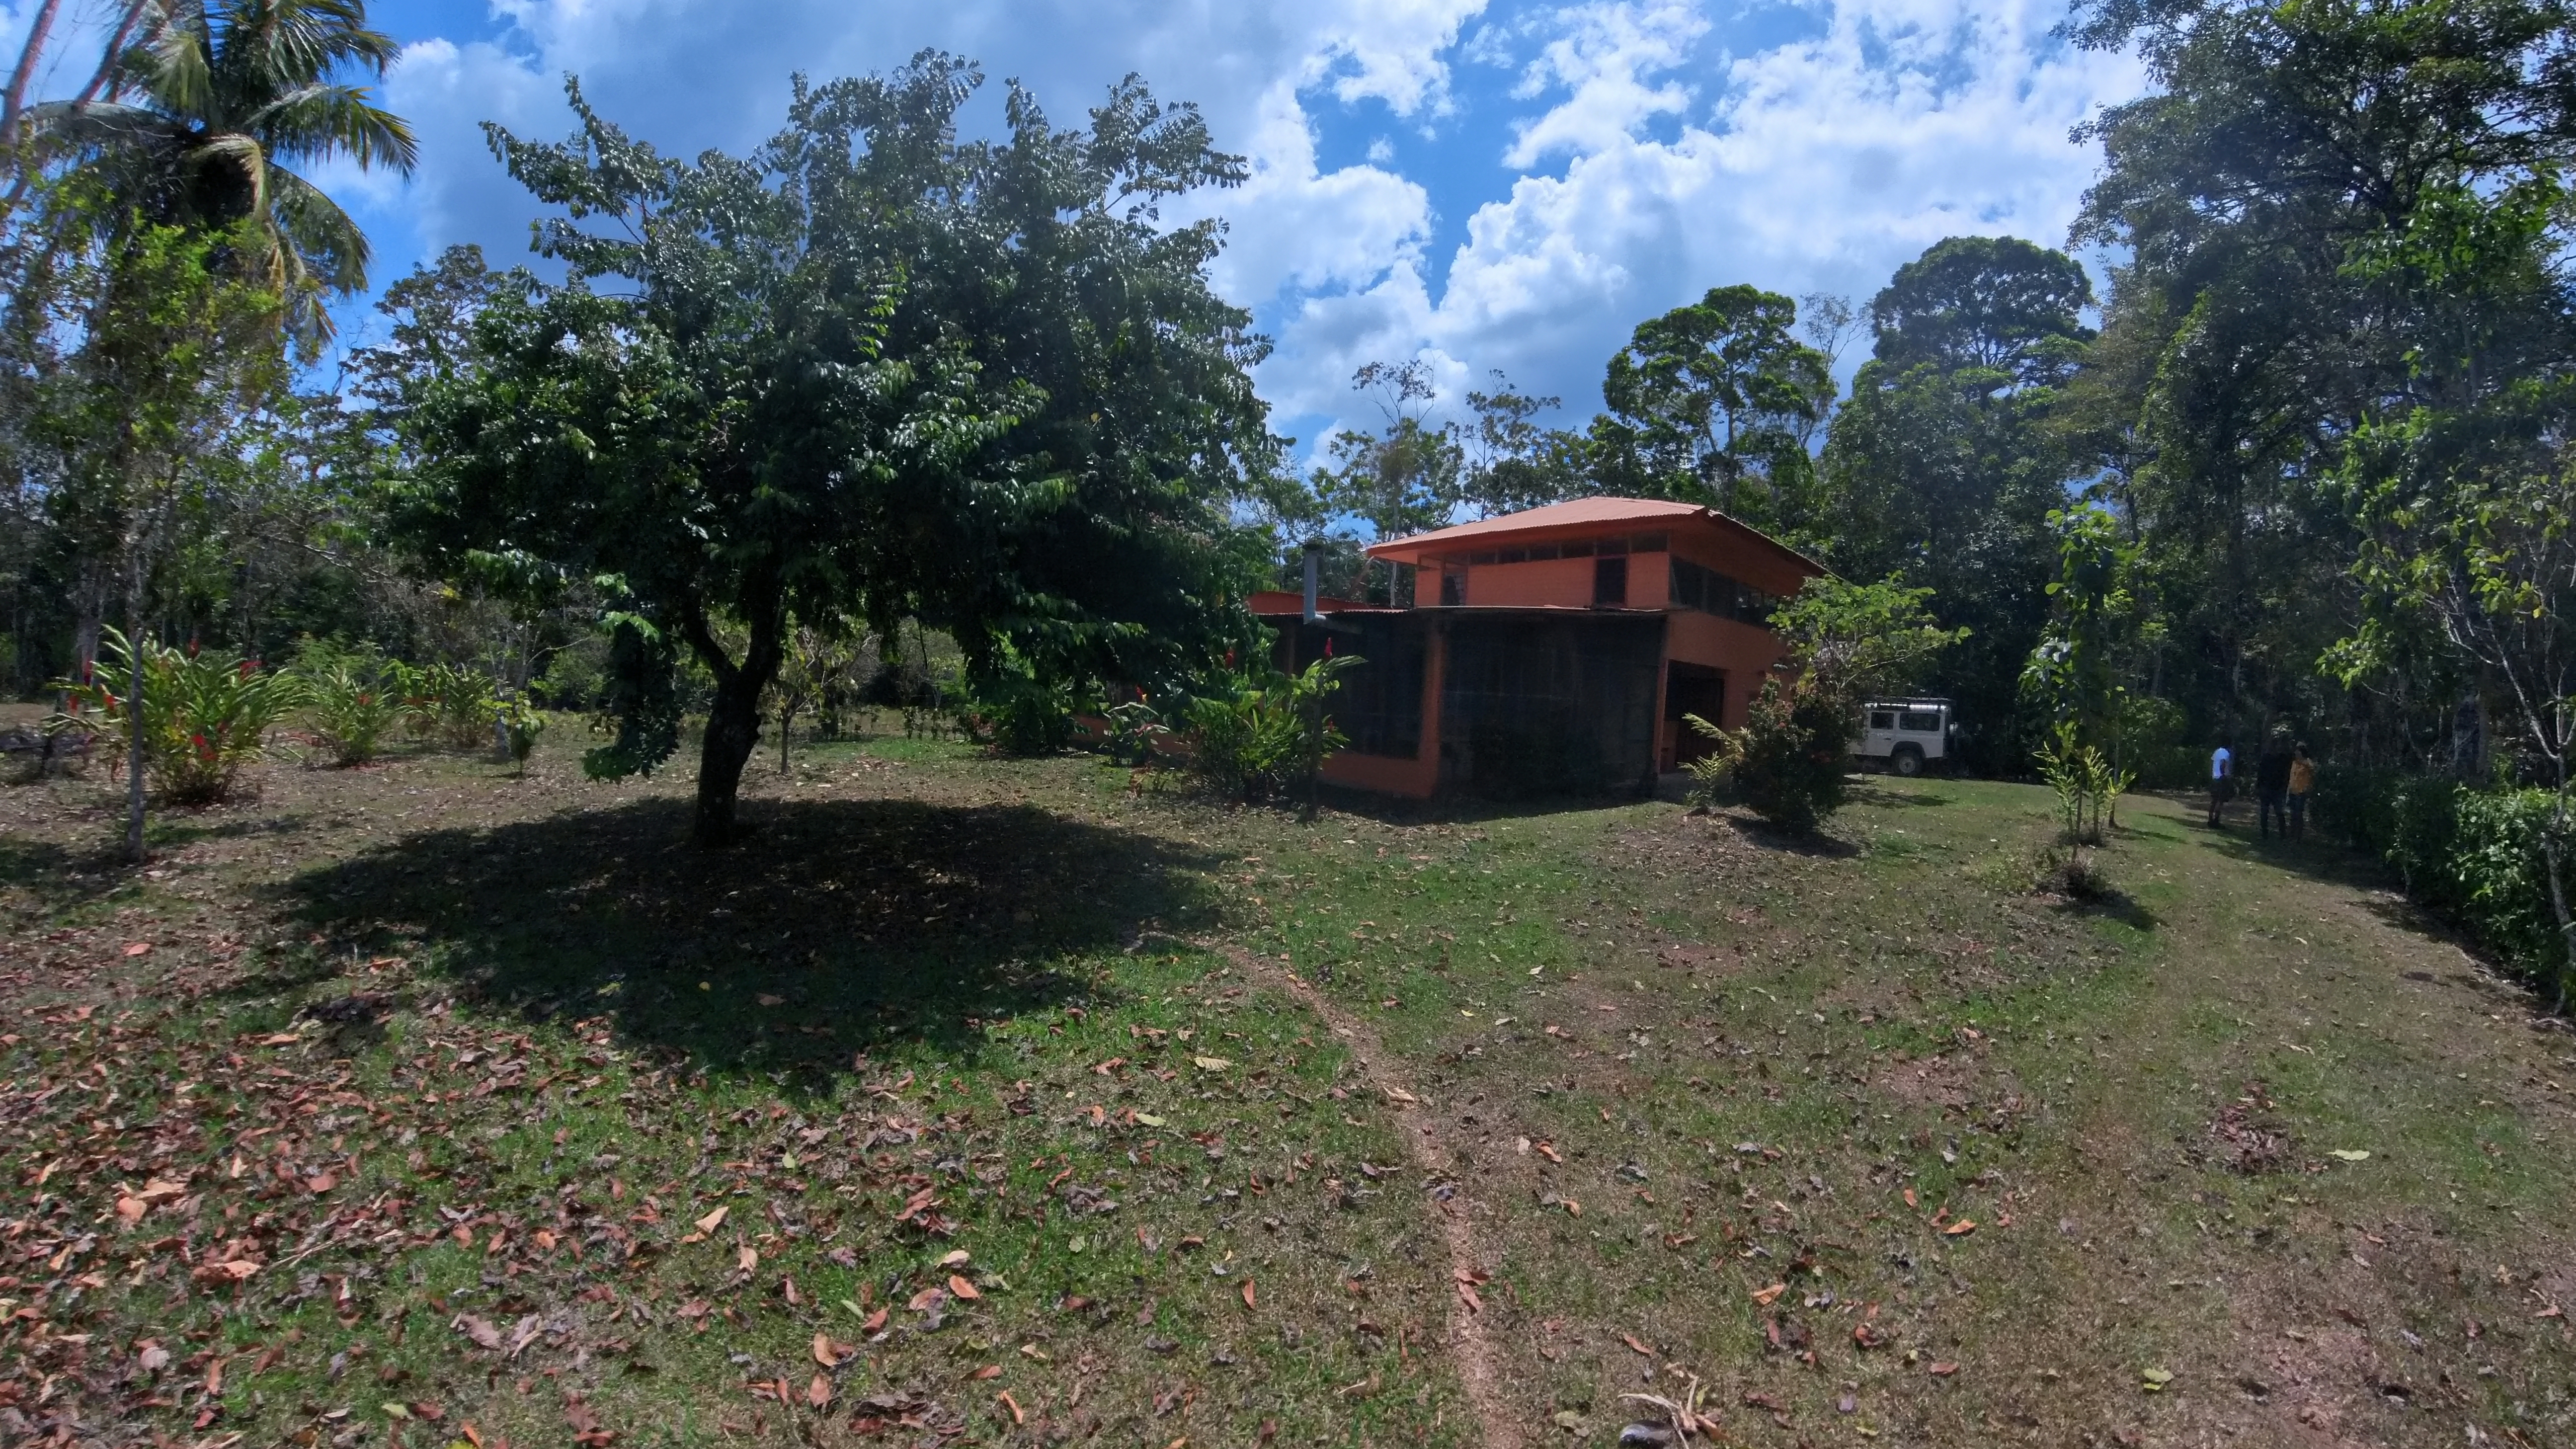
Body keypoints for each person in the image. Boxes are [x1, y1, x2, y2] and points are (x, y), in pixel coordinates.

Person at [2256, 733, 2294, 839]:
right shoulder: (2273, 758)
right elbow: (2261, 773)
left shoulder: (2280, 758)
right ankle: (2270, 832)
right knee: (2270, 812)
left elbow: (2261, 773)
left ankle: (2276, 833)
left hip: (2273, 788)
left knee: (2274, 812)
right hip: (2270, 788)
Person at [2287, 742, 2315, 843]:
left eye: (2298, 751)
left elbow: (2313, 771)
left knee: (2298, 814)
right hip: (2292, 791)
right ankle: (2292, 834)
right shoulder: (2294, 763)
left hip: (2301, 791)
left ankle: (2298, 836)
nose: (2296, 753)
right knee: (2293, 814)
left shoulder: (2308, 763)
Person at [2207, 741, 2233, 827]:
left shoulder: (2217, 751)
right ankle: (2216, 820)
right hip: (2221, 779)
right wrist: (2224, 775)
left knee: (2214, 800)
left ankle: (2210, 819)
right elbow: (2223, 763)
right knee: (2220, 801)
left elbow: (2212, 763)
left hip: (2215, 778)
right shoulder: (2225, 753)